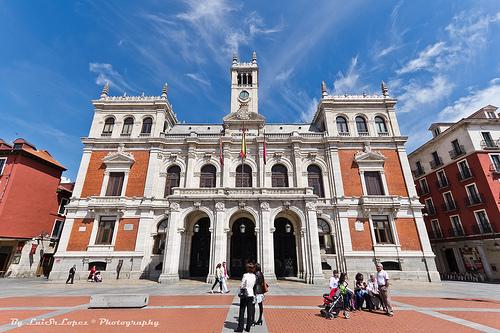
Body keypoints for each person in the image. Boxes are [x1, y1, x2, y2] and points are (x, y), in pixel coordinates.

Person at [235, 262, 256, 332]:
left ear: (247, 268)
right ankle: (248, 328)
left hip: (245, 294)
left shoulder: (245, 275)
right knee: (249, 311)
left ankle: (240, 328)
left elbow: (242, 285)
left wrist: (241, 288)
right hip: (251, 294)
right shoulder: (254, 276)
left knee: (242, 311)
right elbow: (254, 285)